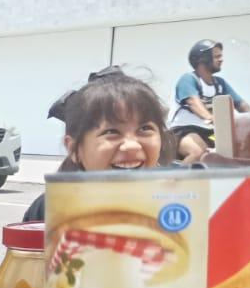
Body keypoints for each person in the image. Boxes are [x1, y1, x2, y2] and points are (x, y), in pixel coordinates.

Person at [24, 70, 170, 222]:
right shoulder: (51, 208)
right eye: (111, 132)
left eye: (145, 129)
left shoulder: (175, 205)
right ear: (74, 149)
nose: (131, 145)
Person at [171, 40, 250, 162]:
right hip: (182, 131)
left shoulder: (220, 84)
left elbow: (241, 104)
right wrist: (211, 118)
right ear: (202, 59)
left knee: (231, 153)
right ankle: (176, 175)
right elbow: (193, 102)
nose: (221, 60)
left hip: (209, 132)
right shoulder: (188, 79)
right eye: (217, 56)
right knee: (197, 152)